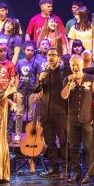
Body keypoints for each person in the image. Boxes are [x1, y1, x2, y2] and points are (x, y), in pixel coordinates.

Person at [34, 47, 70, 177]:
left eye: (53, 55)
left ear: (58, 57)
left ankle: (66, 169)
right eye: (49, 55)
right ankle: (54, 168)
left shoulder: (64, 71)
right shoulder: (44, 73)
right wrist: (40, 79)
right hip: (47, 113)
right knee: (50, 142)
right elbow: (35, 90)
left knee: (64, 141)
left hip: (60, 112)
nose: (50, 57)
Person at [61, 55, 94, 182]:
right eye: (73, 65)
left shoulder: (91, 79)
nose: (75, 67)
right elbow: (64, 96)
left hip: (87, 118)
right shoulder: (67, 79)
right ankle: (76, 172)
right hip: (72, 118)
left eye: (77, 65)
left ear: (82, 65)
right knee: (73, 147)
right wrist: (68, 84)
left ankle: (89, 173)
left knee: (88, 147)